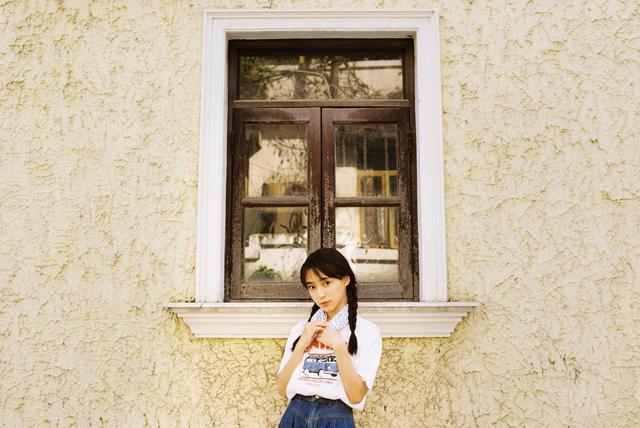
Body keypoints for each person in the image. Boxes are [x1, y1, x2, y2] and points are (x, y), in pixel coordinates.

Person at [276, 248, 383, 427]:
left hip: (336, 418)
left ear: (345, 279)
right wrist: (302, 344)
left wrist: (339, 347)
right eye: (312, 286)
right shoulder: (302, 329)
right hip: (295, 415)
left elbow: (356, 396)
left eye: (326, 283)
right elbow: (281, 389)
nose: (320, 294)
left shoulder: (367, 331)